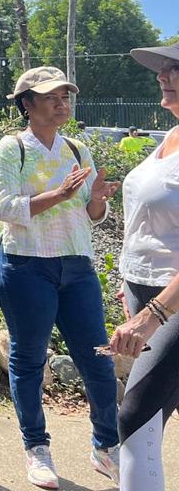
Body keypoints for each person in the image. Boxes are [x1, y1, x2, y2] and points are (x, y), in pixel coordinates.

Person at [0, 66, 120, 490]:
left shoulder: (77, 149)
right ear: (26, 103)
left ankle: (107, 446)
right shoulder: (10, 150)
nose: (62, 102)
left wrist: (96, 201)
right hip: (26, 265)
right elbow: (4, 207)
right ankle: (36, 448)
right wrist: (59, 195)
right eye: (50, 96)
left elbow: (93, 217)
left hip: (77, 266)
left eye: (65, 95)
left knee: (98, 359)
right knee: (28, 360)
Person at [111, 41, 179, 491]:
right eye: (163, 69)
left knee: (136, 416)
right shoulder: (169, 136)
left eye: (175, 69)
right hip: (145, 290)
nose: (162, 75)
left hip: (170, 302)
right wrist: (129, 284)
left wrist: (153, 314)